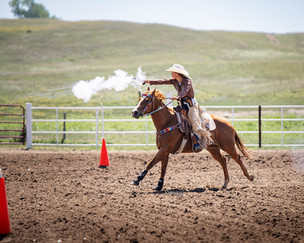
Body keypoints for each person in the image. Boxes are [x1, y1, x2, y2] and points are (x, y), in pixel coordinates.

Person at [144, 64, 213, 151]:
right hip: (182, 104)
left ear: (177, 73)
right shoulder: (175, 81)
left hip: (191, 105)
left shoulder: (187, 81)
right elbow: (163, 81)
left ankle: (197, 141)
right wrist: (148, 82)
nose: (171, 74)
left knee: (194, 121)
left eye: (173, 72)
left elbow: (185, 91)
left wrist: (178, 96)